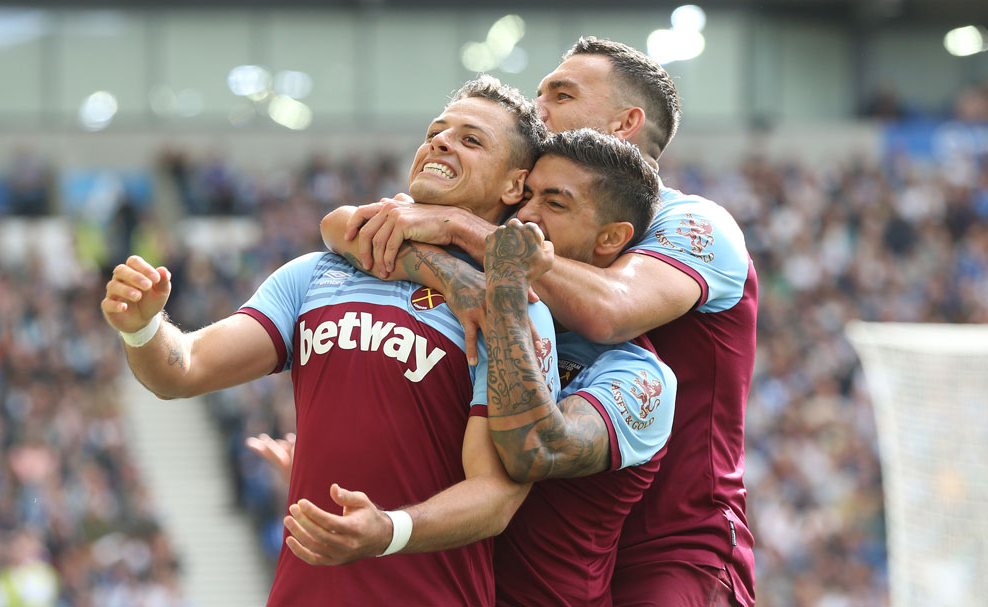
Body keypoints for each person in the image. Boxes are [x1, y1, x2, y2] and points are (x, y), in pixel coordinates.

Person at [100, 76, 558, 607]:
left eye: (471, 140)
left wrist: (389, 531)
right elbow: (183, 369)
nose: (441, 142)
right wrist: (143, 327)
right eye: (436, 132)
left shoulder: (506, 309)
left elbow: (497, 496)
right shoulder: (316, 273)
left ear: (512, 186)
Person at [339, 37, 757, 607]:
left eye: (561, 95)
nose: (539, 109)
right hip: (527, 541)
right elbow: (354, 226)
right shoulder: (527, 209)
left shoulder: (694, 223)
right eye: (538, 94)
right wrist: (443, 264)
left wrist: (458, 227)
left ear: (624, 123)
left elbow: (610, 310)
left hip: (669, 546)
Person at [275, 129, 678, 606]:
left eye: (556, 203)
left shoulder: (638, 377)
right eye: (526, 196)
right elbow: (345, 226)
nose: (526, 215)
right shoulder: (467, 309)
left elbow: (540, 451)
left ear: (610, 237)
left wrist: (498, 276)